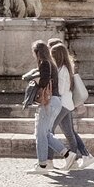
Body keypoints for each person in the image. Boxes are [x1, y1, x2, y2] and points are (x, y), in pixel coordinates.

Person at [49, 41, 94, 170]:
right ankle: (74, 161)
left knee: (49, 131)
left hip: (63, 105)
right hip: (66, 104)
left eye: (52, 55)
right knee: (69, 133)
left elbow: (62, 89)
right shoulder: (65, 68)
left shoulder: (62, 70)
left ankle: (50, 160)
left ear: (57, 55)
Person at [29, 40, 66, 172]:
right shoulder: (51, 63)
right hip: (55, 101)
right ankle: (67, 154)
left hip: (48, 102)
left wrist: (34, 81)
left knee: (40, 134)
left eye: (34, 52)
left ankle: (42, 165)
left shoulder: (44, 63)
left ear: (37, 52)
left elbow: (44, 82)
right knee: (45, 133)